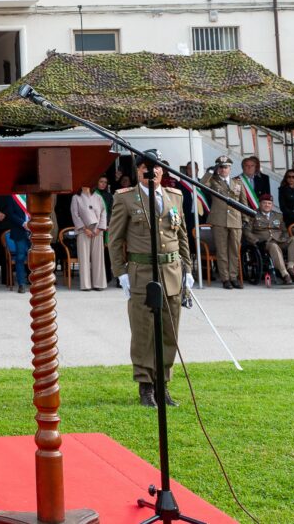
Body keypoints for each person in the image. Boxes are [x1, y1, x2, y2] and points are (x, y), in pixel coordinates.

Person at [107, 150, 192, 408]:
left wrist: (187, 269)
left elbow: (183, 236)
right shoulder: (125, 199)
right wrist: (121, 273)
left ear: (162, 171)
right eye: (145, 167)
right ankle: (145, 386)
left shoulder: (174, 197)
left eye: (155, 168)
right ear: (138, 171)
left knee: (169, 331)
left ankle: (162, 384)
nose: (151, 172)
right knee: (144, 332)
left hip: (172, 273)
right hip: (142, 273)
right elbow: (115, 239)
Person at [201, 155, 245, 289]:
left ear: (230, 168)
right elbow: (202, 184)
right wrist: (210, 171)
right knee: (222, 251)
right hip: (219, 219)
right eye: (220, 167)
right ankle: (225, 278)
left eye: (225, 167)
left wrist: (245, 219)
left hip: (236, 220)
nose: (223, 170)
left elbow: (243, 202)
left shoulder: (237, 183)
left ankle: (233, 277)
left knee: (234, 251)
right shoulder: (213, 181)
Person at [243, 193, 294, 287]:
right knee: (273, 245)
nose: (267, 205)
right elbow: (247, 231)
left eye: (269, 203)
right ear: (260, 204)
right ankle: (285, 274)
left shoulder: (278, 216)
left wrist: (284, 238)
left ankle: (291, 268)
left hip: (279, 240)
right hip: (264, 243)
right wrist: (256, 241)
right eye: (264, 203)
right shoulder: (253, 215)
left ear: (272, 205)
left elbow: (284, 230)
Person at [71, 185, 107, 292]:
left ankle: (98, 283)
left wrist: (100, 228)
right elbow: (75, 214)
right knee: (84, 258)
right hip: (83, 231)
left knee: (98, 258)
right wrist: (84, 228)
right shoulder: (76, 197)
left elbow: (103, 213)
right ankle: (85, 285)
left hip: (97, 230)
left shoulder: (98, 197)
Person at [3, 194, 31, 292]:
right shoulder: (13, 196)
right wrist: (23, 223)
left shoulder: (32, 195)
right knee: (20, 257)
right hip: (19, 230)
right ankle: (21, 284)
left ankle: (36, 281)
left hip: (34, 231)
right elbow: (10, 214)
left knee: (36, 256)